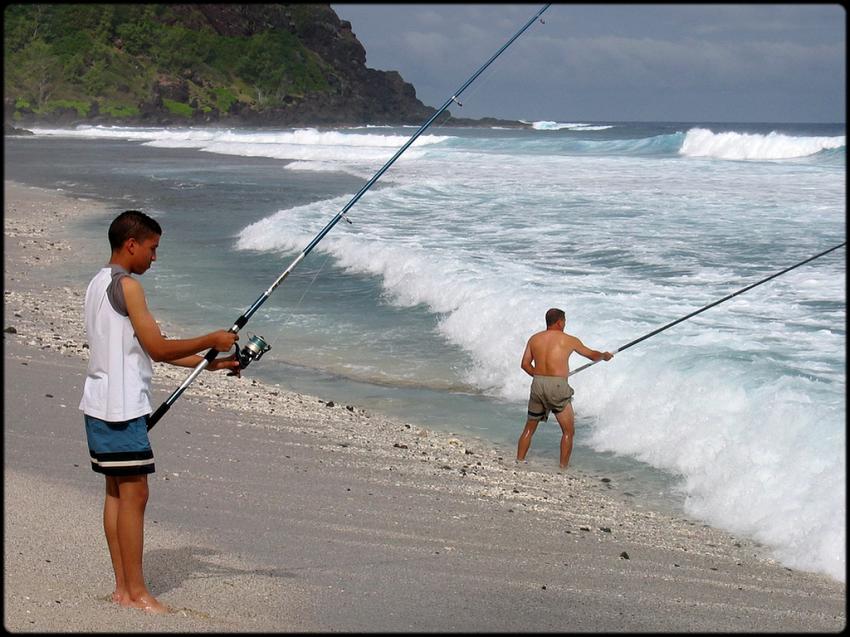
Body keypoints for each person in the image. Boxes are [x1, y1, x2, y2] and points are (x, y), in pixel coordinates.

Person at [78, 210, 240, 613]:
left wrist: (212, 361)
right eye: (153, 249)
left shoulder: (98, 283)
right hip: (120, 410)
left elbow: (145, 346)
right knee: (134, 495)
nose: (155, 257)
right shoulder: (129, 287)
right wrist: (214, 337)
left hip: (98, 404)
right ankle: (137, 593)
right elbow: (158, 349)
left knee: (116, 495)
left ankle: (123, 589)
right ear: (131, 244)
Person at [516, 308, 613, 470]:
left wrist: (541, 377)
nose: (565, 324)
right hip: (558, 386)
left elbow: (525, 365)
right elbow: (592, 355)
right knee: (568, 431)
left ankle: (519, 461)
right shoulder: (569, 340)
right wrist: (604, 355)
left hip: (537, 383)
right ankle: (563, 468)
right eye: (565, 321)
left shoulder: (534, 339)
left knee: (529, 427)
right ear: (560, 322)